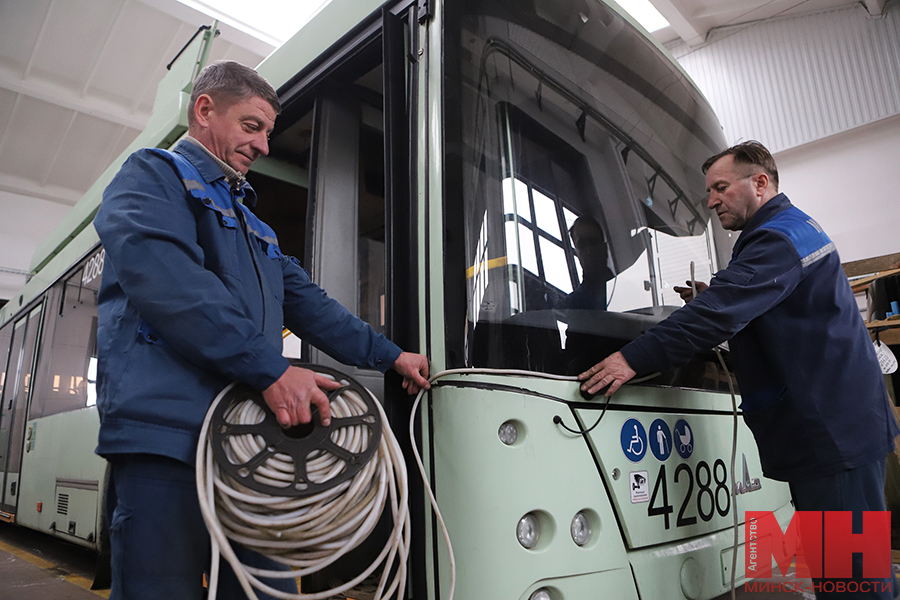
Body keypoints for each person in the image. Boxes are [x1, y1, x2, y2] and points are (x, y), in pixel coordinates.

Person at [93, 60, 430, 600]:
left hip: (250, 442)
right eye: (252, 127)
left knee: (266, 590)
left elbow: (313, 307)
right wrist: (271, 369)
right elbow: (171, 284)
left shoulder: (256, 227)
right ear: (204, 111)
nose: (264, 146)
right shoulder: (151, 176)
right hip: (169, 440)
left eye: (269, 133)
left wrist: (391, 356)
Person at [578, 141, 898, 599]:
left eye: (721, 188)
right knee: (847, 574)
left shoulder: (777, 238)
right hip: (840, 432)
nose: (711, 201)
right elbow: (767, 311)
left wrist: (632, 357)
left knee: (853, 582)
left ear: (760, 183)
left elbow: (718, 315)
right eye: (710, 191)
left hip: (833, 438)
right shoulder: (789, 229)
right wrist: (719, 297)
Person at [560, 215, 615, 310]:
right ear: (577, 254)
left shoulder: (628, 290)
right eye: (582, 245)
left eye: (593, 242)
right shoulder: (573, 304)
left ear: (605, 248)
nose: (589, 250)